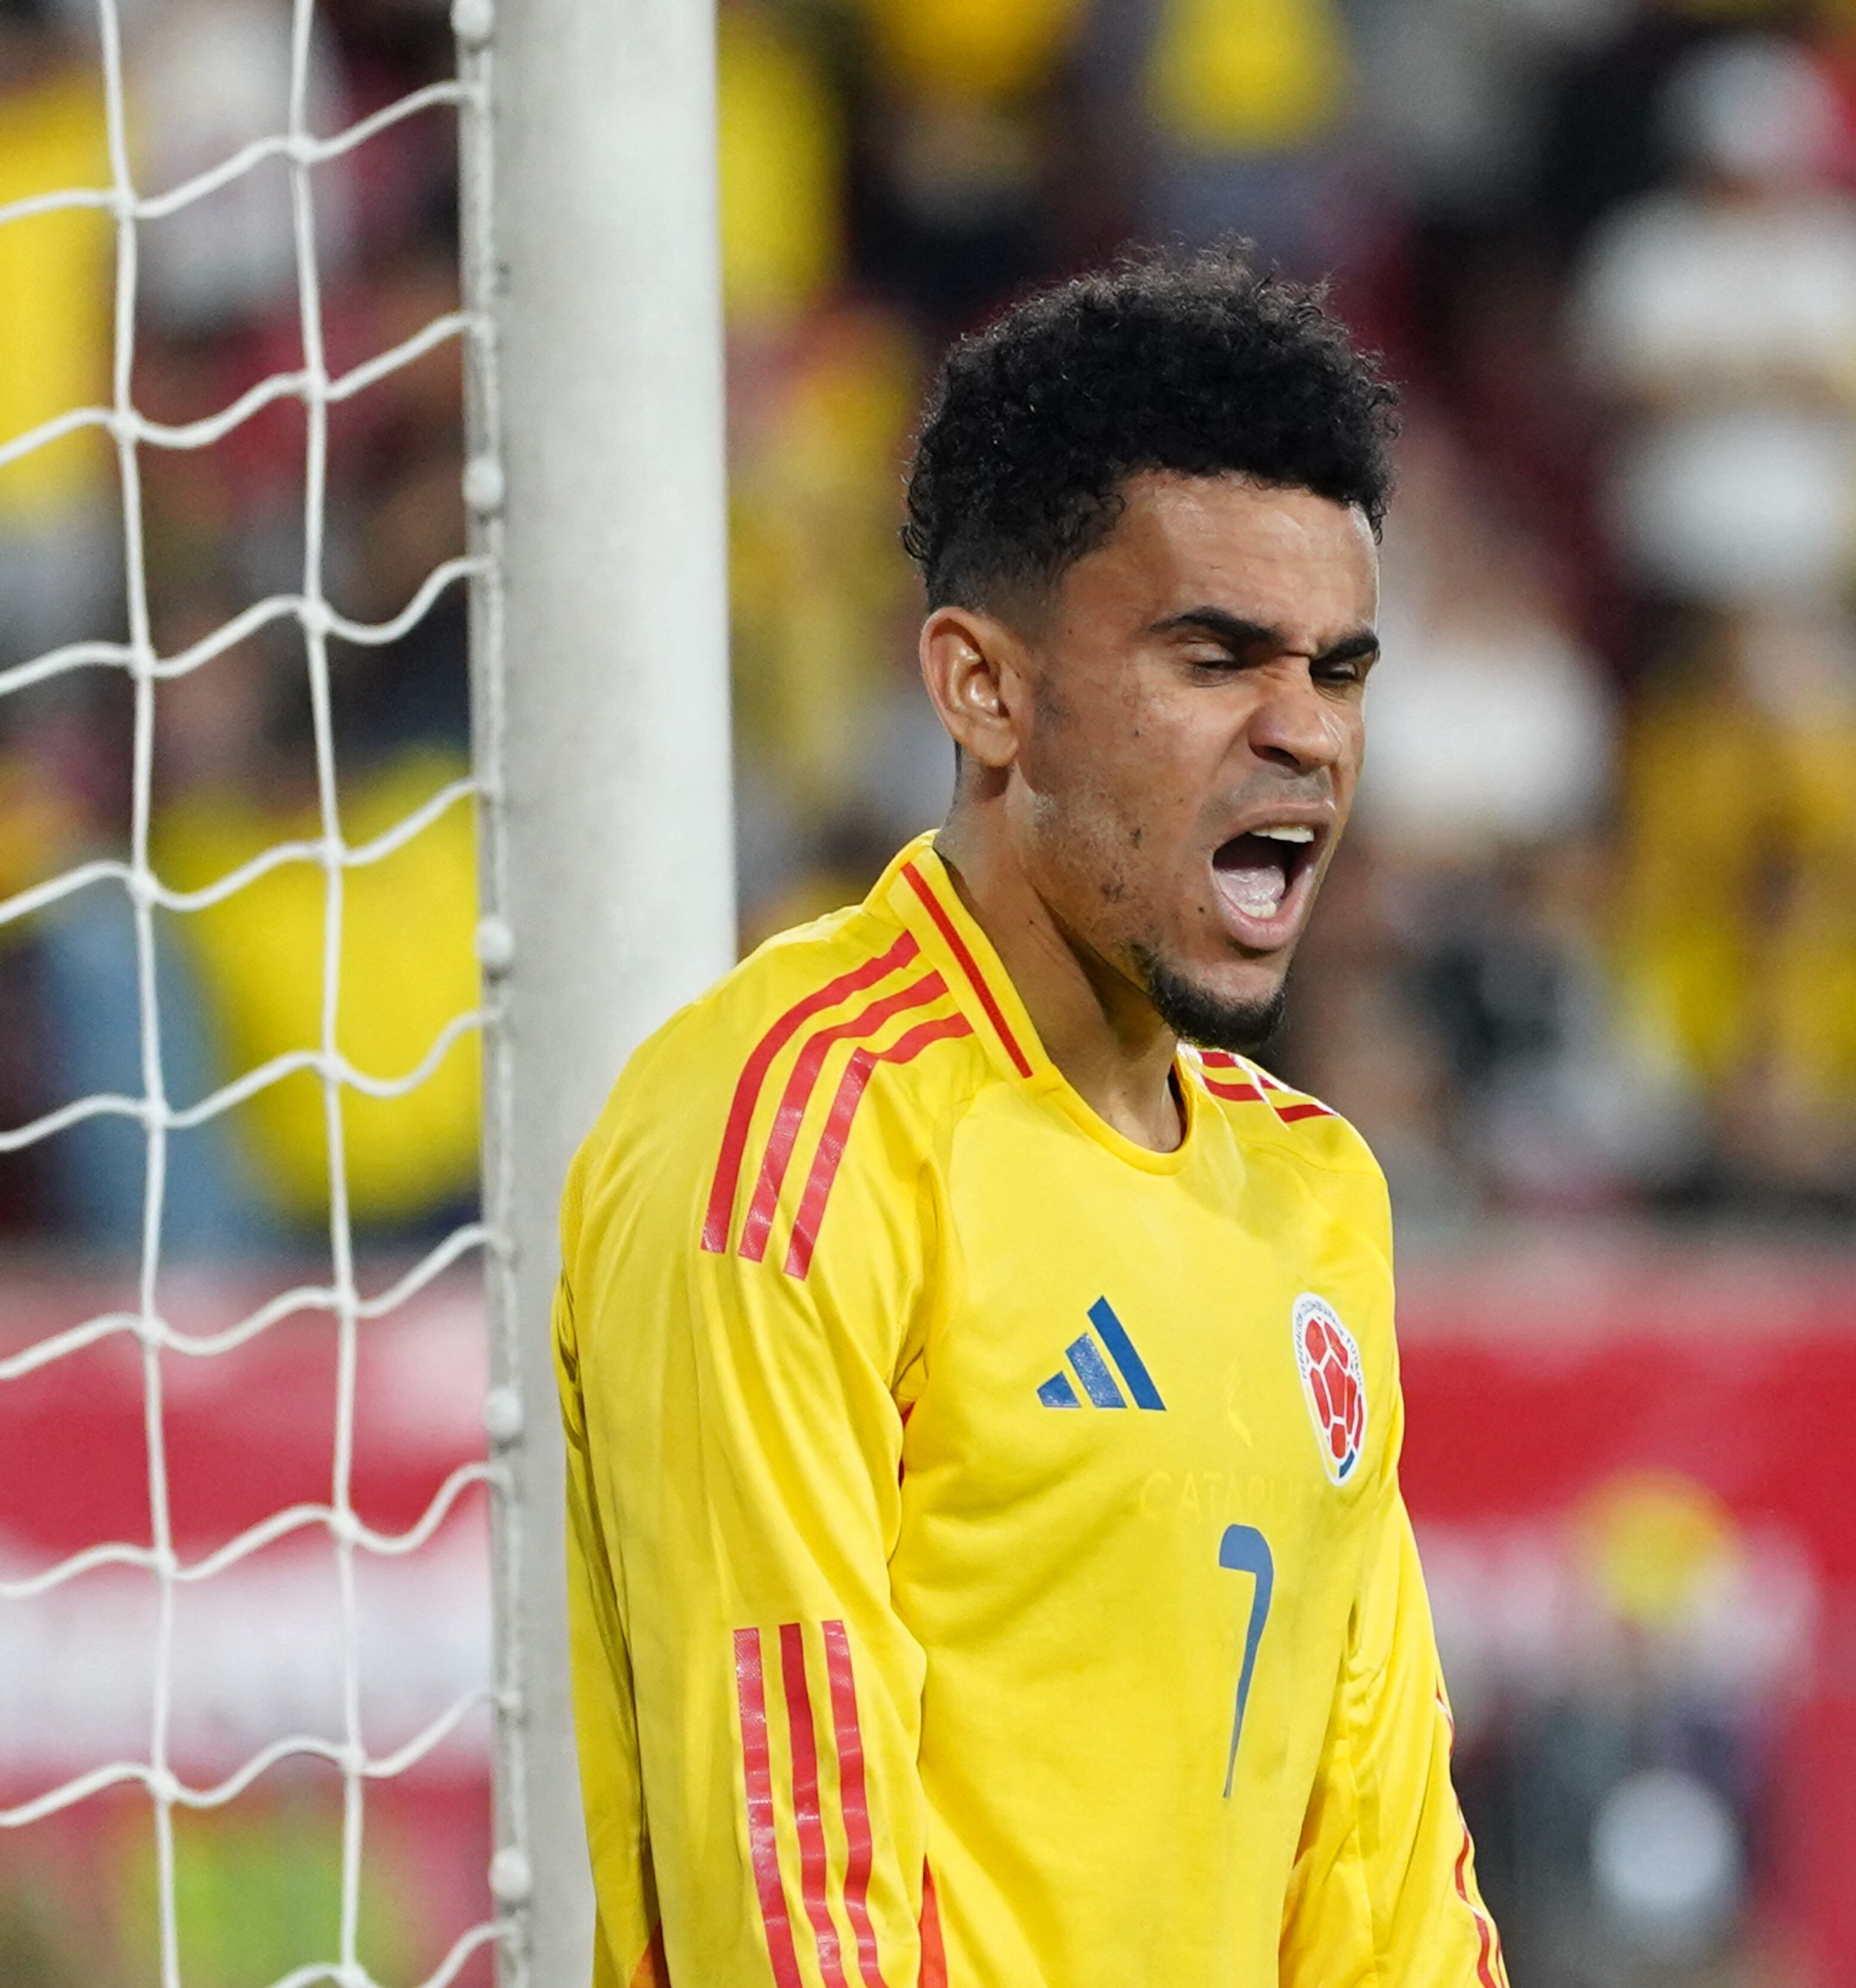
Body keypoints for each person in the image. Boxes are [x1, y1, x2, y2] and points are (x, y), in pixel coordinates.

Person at [553, 249, 1507, 1988]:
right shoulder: (796, 1135)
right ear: (984, 690)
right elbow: (791, 1884)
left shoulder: (1312, 1191)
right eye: (1216, 655)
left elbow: (1383, 1869)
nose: (1303, 730)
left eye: (1342, 668)